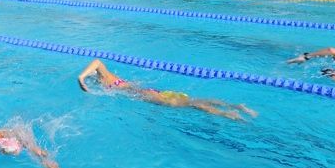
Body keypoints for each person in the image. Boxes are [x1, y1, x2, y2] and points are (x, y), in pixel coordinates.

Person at [77, 59, 256, 120]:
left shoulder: (106, 77)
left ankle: (229, 114)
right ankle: (236, 106)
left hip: (149, 95)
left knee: (190, 104)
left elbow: (97, 61)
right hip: (151, 92)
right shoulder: (110, 80)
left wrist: (81, 78)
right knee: (192, 101)